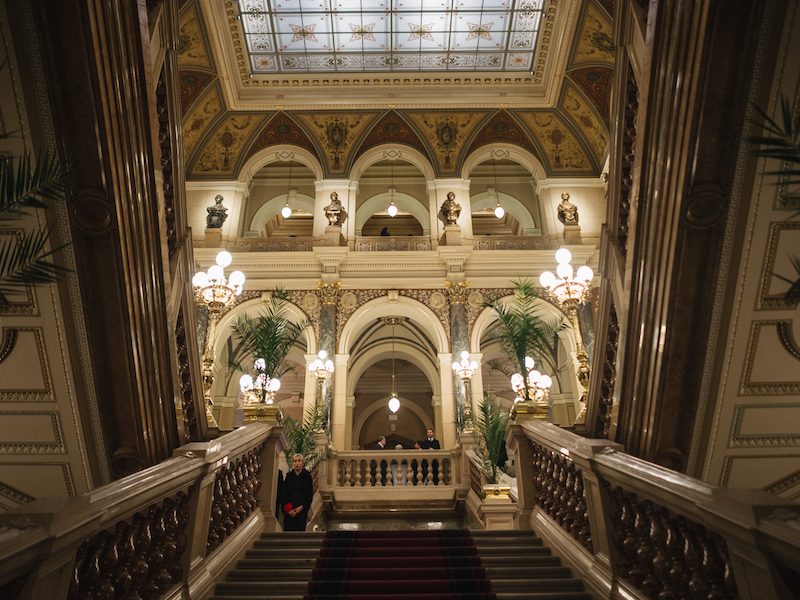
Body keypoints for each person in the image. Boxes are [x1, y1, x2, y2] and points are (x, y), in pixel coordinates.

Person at [281, 453, 313, 531]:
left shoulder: (307, 476)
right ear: (293, 463)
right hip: (289, 511)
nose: (297, 463)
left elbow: (309, 495)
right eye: (295, 461)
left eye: (299, 461)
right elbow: (284, 494)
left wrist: (301, 507)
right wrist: (288, 510)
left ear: (302, 462)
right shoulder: (289, 476)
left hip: (301, 511)